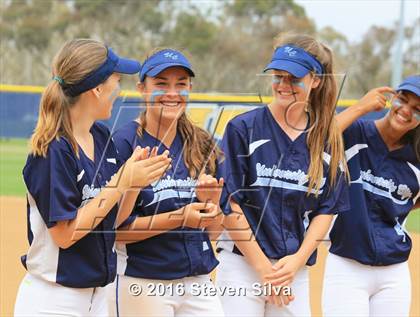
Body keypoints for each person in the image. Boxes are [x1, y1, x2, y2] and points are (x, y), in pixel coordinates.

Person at [14, 39, 171, 316]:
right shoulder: (53, 149)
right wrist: (121, 181)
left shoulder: (101, 137)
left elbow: (115, 220)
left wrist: (133, 183)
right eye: (117, 80)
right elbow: (64, 235)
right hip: (54, 301)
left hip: (98, 298)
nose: (119, 90)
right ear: (97, 89)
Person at [216, 33, 350, 317]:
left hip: (293, 270)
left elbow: (325, 211)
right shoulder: (243, 128)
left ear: (315, 80)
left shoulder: (326, 139)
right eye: (278, 75)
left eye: (294, 78)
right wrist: (265, 270)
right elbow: (230, 203)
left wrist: (296, 262)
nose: (283, 85)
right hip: (242, 264)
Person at [107, 48, 225, 317]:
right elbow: (114, 232)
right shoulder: (123, 143)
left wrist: (212, 204)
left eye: (181, 84)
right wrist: (181, 217)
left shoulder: (202, 143)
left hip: (198, 280)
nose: (172, 93)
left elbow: (213, 232)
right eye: (161, 84)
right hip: (143, 280)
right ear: (141, 88)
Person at [323, 75, 420, 317]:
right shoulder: (355, 132)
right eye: (402, 99)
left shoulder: (416, 157)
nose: (406, 111)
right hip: (347, 264)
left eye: (417, 109)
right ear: (392, 98)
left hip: (394, 271)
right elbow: (313, 142)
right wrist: (360, 107)